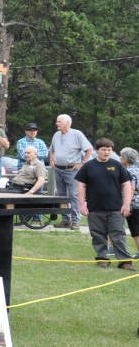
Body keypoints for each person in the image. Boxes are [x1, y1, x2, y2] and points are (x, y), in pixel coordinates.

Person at [74, 138, 135, 270]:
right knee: (98, 235)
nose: (106, 152)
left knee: (118, 235)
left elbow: (126, 185)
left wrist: (126, 204)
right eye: (103, 150)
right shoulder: (88, 166)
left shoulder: (117, 165)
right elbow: (81, 186)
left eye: (109, 150)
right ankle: (102, 258)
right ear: (97, 151)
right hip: (95, 208)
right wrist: (82, 204)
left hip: (115, 208)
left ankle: (125, 261)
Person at [48, 114, 93, 229]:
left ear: (67, 123)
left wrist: (82, 163)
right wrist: (52, 160)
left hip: (72, 170)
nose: (56, 123)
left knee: (74, 195)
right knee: (61, 196)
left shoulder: (77, 134)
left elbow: (89, 149)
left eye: (59, 122)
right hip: (58, 169)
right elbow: (52, 149)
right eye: (57, 121)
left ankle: (75, 221)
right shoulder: (56, 135)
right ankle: (65, 220)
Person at [120, 147, 139, 256]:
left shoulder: (129, 171)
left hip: (134, 204)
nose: (120, 158)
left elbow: (130, 188)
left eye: (121, 156)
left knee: (136, 231)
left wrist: (127, 205)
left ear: (126, 159)